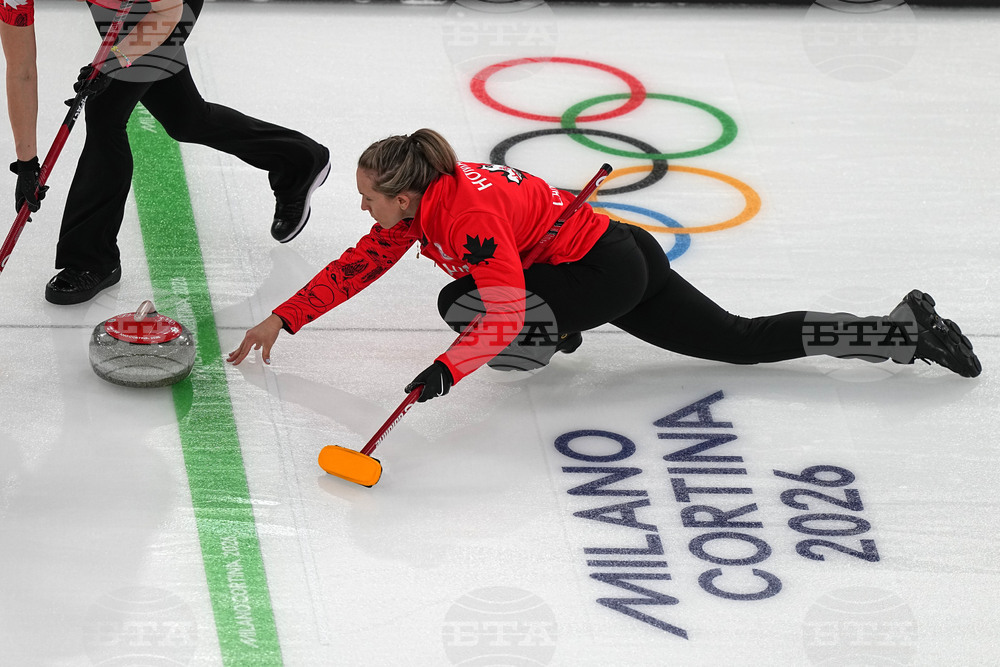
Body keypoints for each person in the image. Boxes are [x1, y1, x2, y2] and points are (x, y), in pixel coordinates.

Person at [227, 128, 982, 401]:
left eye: (367, 197)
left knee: (463, 305)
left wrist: (442, 374)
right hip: (611, 251)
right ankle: (899, 331)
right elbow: (360, 264)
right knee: (743, 338)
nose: (363, 209)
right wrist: (282, 317)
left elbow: (500, 315)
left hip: (604, 271)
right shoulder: (421, 204)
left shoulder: (470, 217)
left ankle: (561, 330)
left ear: (404, 192)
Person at [2, 0, 330, 304]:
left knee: (105, 111)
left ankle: (91, 259)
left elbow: (167, 14)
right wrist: (27, 164)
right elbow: (21, 70)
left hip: (170, 7)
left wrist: (116, 61)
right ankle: (300, 159)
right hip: (118, 7)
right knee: (186, 118)